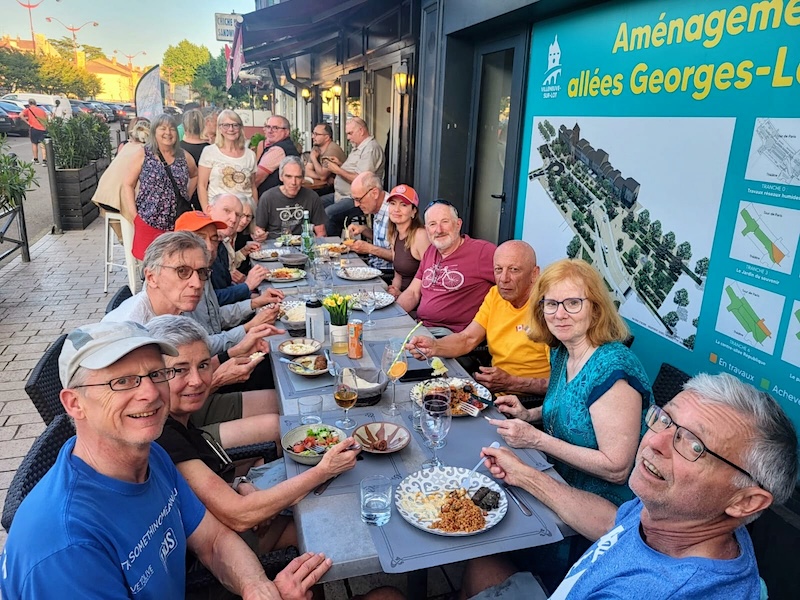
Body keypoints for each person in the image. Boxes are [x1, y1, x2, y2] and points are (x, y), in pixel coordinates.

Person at [0, 320, 332, 599]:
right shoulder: (67, 545)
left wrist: (257, 588)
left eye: (156, 374)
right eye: (122, 381)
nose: (150, 393)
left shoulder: (151, 456)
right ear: (74, 404)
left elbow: (213, 541)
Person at [464, 372, 798, 600]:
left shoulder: (657, 590)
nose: (655, 442)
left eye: (694, 445)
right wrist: (523, 475)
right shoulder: (680, 513)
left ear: (746, 502)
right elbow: (615, 524)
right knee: (481, 560)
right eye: (665, 419)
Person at [149, 315, 360, 553]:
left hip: (235, 515)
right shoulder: (163, 435)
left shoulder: (177, 421)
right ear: (154, 375)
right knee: (331, 524)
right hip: (226, 549)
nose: (197, 381)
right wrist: (324, 470)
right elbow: (241, 515)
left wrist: (241, 483)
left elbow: (210, 487)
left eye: (204, 365)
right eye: (180, 370)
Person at [489, 257, 651, 505]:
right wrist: (528, 415)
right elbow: (572, 408)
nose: (560, 314)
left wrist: (536, 439)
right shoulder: (562, 351)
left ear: (595, 308)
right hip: (557, 479)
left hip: (606, 507)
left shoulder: (613, 371)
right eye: (551, 304)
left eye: (573, 303)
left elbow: (616, 468)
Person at [408, 241, 549, 396]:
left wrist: (513, 383)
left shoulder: (549, 309)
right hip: (494, 394)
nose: (504, 278)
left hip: (530, 402)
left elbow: (564, 385)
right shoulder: (495, 295)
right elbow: (468, 338)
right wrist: (434, 346)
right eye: (498, 269)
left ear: (534, 274)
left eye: (514, 270)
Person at [397, 200, 496, 336]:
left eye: (445, 222)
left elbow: (516, 282)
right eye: (432, 224)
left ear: (458, 224)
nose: (439, 230)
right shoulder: (431, 251)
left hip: (450, 335)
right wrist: (391, 315)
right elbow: (413, 293)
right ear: (427, 229)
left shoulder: (482, 252)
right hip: (421, 327)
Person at [122, 113, 198, 260]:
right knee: (149, 263)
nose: (168, 132)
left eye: (172, 128)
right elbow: (128, 184)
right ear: (154, 132)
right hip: (149, 220)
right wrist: (134, 215)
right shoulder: (144, 154)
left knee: (176, 262)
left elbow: (195, 175)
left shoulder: (183, 156)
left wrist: (186, 195)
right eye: (162, 128)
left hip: (177, 223)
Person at [321, 117, 385, 236]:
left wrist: (337, 170)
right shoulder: (359, 147)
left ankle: (332, 244)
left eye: (350, 133)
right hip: (342, 195)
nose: (348, 137)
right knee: (315, 203)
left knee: (329, 213)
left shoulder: (370, 149)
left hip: (358, 199)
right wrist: (340, 164)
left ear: (361, 131)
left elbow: (362, 181)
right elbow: (355, 170)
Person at [207, 193, 269, 305]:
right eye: (227, 210)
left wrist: (253, 297)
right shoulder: (199, 245)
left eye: (237, 215)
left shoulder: (221, 245)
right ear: (209, 210)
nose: (234, 219)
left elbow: (225, 288)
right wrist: (247, 286)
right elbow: (211, 301)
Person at [197, 110, 257, 210]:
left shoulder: (250, 155)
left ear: (240, 128)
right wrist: (206, 210)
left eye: (235, 125)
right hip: (219, 211)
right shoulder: (209, 152)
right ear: (219, 128)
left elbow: (253, 186)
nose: (231, 129)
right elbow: (201, 185)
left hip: (244, 212)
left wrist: (254, 210)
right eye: (226, 125)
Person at [255, 156, 326, 238]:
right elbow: (259, 230)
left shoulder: (312, 197)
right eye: (288, 176)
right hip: (275, 243)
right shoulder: (267, 198)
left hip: (304, 242)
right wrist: (259, 235)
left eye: (298, 177)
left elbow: (321, 233)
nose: (293, 182)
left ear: (303, 179)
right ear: (281, 177)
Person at [382, 184, 430, 296]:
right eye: (393, 203)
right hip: (401, 296)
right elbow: (398, 276)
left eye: (403, 205)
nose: (396, 209)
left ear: (413, 211)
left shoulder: (420, 235)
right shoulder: (394, 235)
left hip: (417, 299)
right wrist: (393, 291)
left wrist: (401, 295)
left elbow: (430, 278)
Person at [344, 172, 393, 275]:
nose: (356, 205)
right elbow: (384, 241)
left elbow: (402, 258)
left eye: (359, 199)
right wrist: (364, 229)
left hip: (386, 275)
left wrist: (369, 248)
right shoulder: (377, 207)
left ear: (374, 193)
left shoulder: (394, 213)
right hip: (372, 267)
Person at [254, 115, 300, 199]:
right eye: (268, 127)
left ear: (286, 132)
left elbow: (257, 178)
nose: (270, 131)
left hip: (270, 200)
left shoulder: (277, 150)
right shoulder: (288, 145)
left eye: (275, 128)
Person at [180, 108, 210, 212]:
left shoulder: (176, 148)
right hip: (205, 198)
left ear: (184, 126)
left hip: (182, 198)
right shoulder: (209, 149)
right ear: (202, 125)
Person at [304, 122, 346, 193]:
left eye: (317, 134)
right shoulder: (316, 147)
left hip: (338, 190)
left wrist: (314, 159)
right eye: (313, 133)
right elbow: (307, 171)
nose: (313, 137)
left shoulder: (332, 150)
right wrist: (326, 178)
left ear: (327, 137)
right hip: (326, 186)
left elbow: (323, 176)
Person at [232, 195, 259, 277]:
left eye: (248, 216)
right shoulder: (222, 236)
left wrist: (244, 251)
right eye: (242, 215)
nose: (244, 221)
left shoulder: (244, 235)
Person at [20, 99, 47, 165]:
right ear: (35, 103)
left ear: (29, 104)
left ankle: (36, 159)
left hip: (34, 128)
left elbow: (20, 115)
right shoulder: (41, 110)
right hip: (42, 129)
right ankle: (44, 160)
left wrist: (27, 122)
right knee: (43, 145)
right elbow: (46, 119)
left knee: (34, 144)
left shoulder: (28, 110)